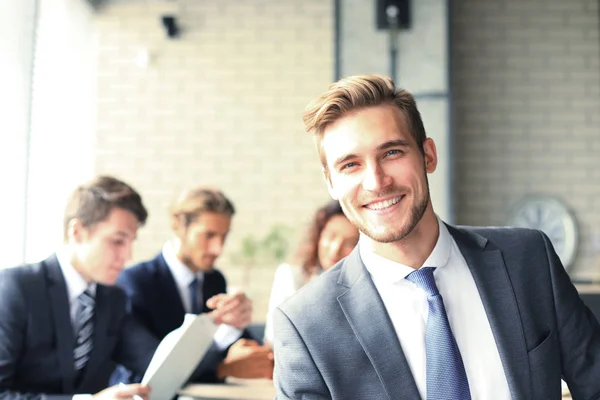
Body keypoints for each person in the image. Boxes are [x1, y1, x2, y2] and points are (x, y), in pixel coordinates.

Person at [272, 75, 600, 399]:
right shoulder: (305, 324)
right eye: (350, 165)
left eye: (391, 153)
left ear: (428, 155)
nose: (376, 181)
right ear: (331, 183)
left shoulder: (528, 259)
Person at [0, 176, 249, 400]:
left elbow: (161, 365)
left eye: (131, 242)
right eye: (118, 241)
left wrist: (221, 326)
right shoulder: (16, 288)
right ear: (77, 232)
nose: (127, 255)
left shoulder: (112, 299)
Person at [112, 186, 273, 385]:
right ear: (178, 225)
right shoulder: (135, 282)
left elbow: (226, 346)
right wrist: (224, 367)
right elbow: (153, 367)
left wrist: (238, 328)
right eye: (209, 235)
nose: (218, 248)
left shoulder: (215, 280)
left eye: (224, 236)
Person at [263, 200, 358, 346]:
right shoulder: (291, 276)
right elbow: (276, 339)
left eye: (349, 243)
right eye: (331, 237)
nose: (335, 249)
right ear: (319, 236)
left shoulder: (362, 287)